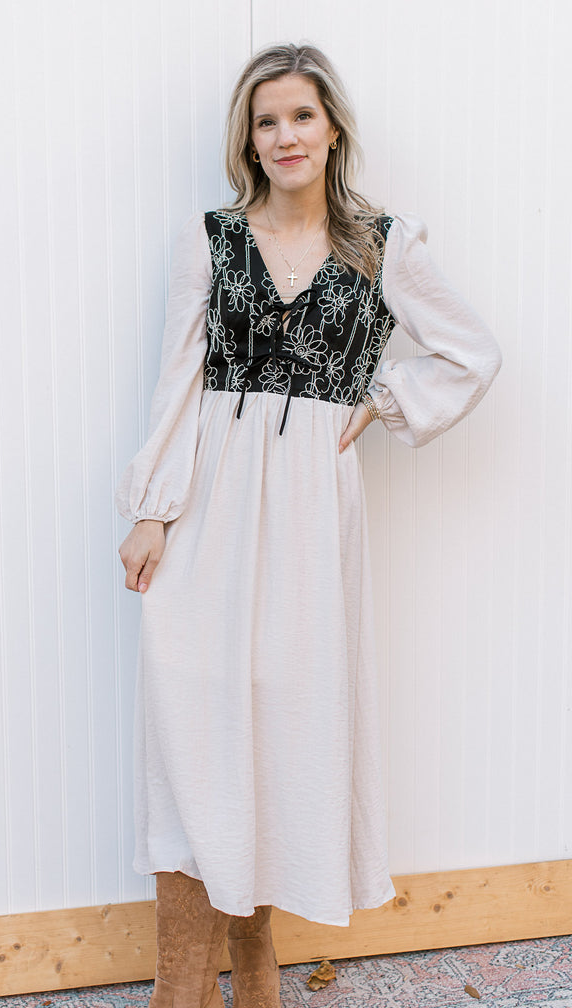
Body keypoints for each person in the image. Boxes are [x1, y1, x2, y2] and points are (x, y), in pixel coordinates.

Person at [116, 42, 501, 1008]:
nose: (284, 135)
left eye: (300, 116)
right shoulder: (210, 238)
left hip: (310, 520)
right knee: (193, 734)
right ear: (248, 138)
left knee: (283, 734)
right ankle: (178, 989)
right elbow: (179, 383)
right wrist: (153, 510)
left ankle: (255, 968)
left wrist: (384, 399)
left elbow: (472, 352)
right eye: (265, 120)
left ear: (332, 128)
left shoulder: (383, 245)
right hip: (208, 507)